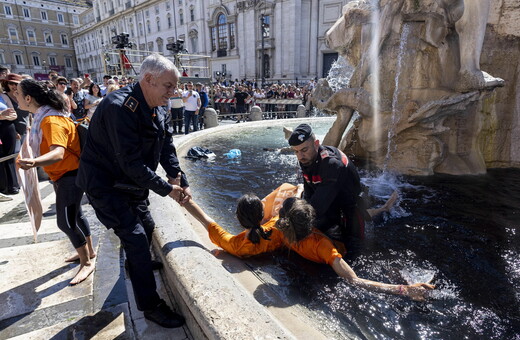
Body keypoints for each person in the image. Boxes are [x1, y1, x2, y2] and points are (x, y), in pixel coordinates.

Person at [76, 53, 189, 328]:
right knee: (136, 239)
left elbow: (165, 144)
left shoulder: (158, 105)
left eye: (175, 86)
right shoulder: (119, 108)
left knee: (147, 226)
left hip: (130, 184)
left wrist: (176, 174)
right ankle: (150, 306)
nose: (174, 92)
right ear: (148, 80)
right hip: (106, 186)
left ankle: (136, 267)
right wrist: (168, 190)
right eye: (169, 86)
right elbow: (130, 163)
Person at [183, 184, 434, 301]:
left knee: (356, 216)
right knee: (357, 216)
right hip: (342, 242)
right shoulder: (320, 245)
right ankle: (385, 208)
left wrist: (184, 199)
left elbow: (210, 224)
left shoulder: (275, 233)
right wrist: (403, 289)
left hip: (335, 239)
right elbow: (355, 280)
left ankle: (384, 207)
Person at [16, 79, 96, 285]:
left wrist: (33, 161)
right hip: (67, 174)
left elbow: (58, 153)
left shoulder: (50, 121)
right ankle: (89, 252)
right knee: (76, 215)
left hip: (69, 175)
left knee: (65, 222)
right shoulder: (47, 116)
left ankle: (86, 263)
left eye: (17, 93)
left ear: (28, 98)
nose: (14, 96)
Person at [288, 124, 373, 245]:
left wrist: (296, 226)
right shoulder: (306, 158)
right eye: (296, 151)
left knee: (355, 244)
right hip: (329, 199)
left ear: (316, 144)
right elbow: (309, 192)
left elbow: (317, 206)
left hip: (350, 205)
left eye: (304, 150)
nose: (300, 156)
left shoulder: (331, 164)